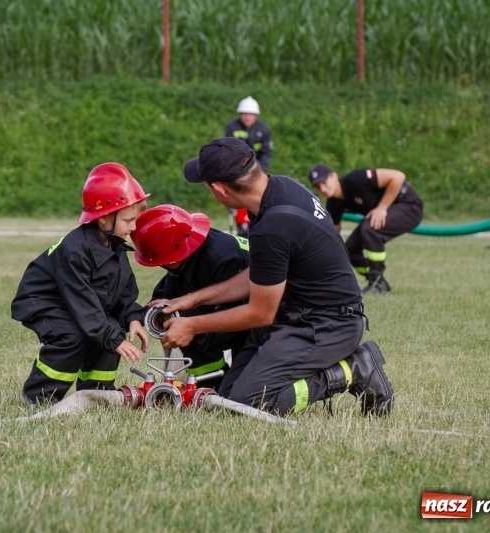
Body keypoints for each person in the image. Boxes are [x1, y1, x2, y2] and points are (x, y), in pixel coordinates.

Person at [159, 137, 394, 417]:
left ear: (219, 189)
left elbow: (260, 313)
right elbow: (259, 276)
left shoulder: (273, 225)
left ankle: (353, 369)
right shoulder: (279, 188)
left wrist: (192, 326)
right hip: (299, 315)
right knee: (227, 399)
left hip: (327, 325)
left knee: (248, 406)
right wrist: (191, 300)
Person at [11, 162, 151, 407]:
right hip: (44, 302)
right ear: (105, 218)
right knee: (73, 335)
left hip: (75, 302)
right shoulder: (75, 249)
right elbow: (83, 304)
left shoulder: (114, 244)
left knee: (110, 329)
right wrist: (115, 339)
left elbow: (123, 291)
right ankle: (40, 396)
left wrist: (132, 317)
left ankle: (97, 394)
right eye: (129, 220)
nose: (134, 227)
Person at [130, 204, 251, 390]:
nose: (159, 266)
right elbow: (164, 299)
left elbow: (244, 315)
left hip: (263, 325)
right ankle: (208, 384)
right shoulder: (187, 256)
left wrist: (192, 324)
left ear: (171, 257)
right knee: (179, 320)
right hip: (242, 317)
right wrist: (137, 318)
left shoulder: (223, 259)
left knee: (240, 391)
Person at [308, 165, 424, 294]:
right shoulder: (333, 203)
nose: (322, 188)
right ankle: (377, 281)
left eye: (324, 182)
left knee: (370, 229)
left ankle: (377, 283)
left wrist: (382, 207)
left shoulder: (355, 179)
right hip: (384, 212)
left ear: (334, 176)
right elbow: (333, 237)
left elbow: (398, 176)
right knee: (350, 250)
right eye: (318, 187)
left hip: (409, 205)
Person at [225, 96, 274, 237]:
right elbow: (229, 150)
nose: (247, 117)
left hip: (258, 172)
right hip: (237, 172)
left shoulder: (264, 129)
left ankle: (257, 225)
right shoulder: (232, 127)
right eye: (244, 114)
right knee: (238, 198)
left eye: (250, 114)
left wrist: (258, 172)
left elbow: (266, 153)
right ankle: (242, 228)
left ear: (256, 115)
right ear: (240, 114)